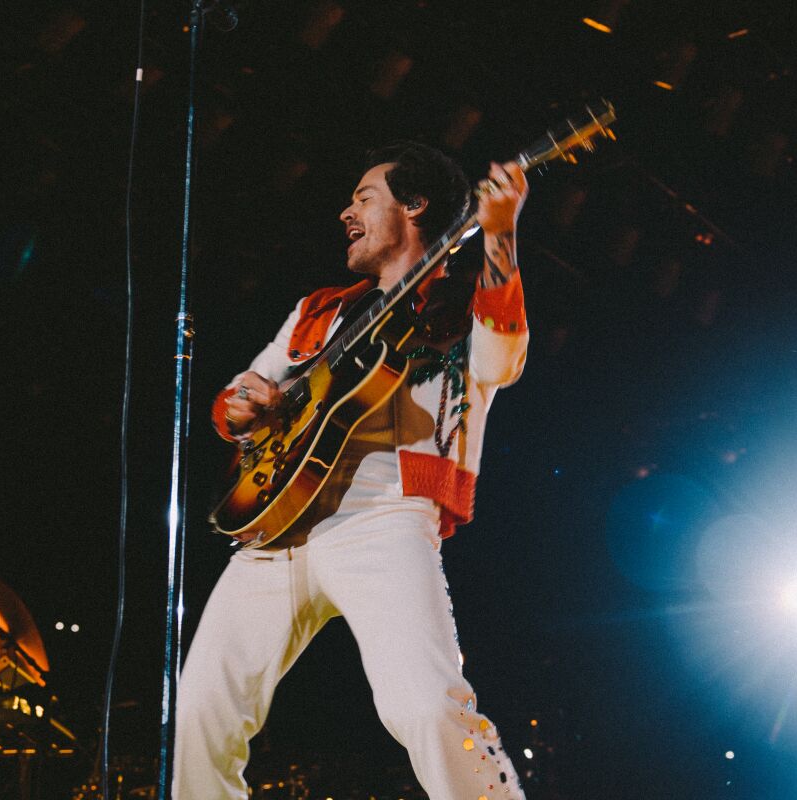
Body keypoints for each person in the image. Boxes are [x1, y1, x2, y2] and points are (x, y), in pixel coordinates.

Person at [173, 141, 531, 799]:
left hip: (385, 518)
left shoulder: (459, 311)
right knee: (199, 715)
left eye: (364, 197)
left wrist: (501, 232)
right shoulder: (321, 310)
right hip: (277, 523)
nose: (346, 212)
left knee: (425, 706)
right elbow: (243, 395)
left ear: (415, 206)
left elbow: (503, 359)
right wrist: (246, 402)